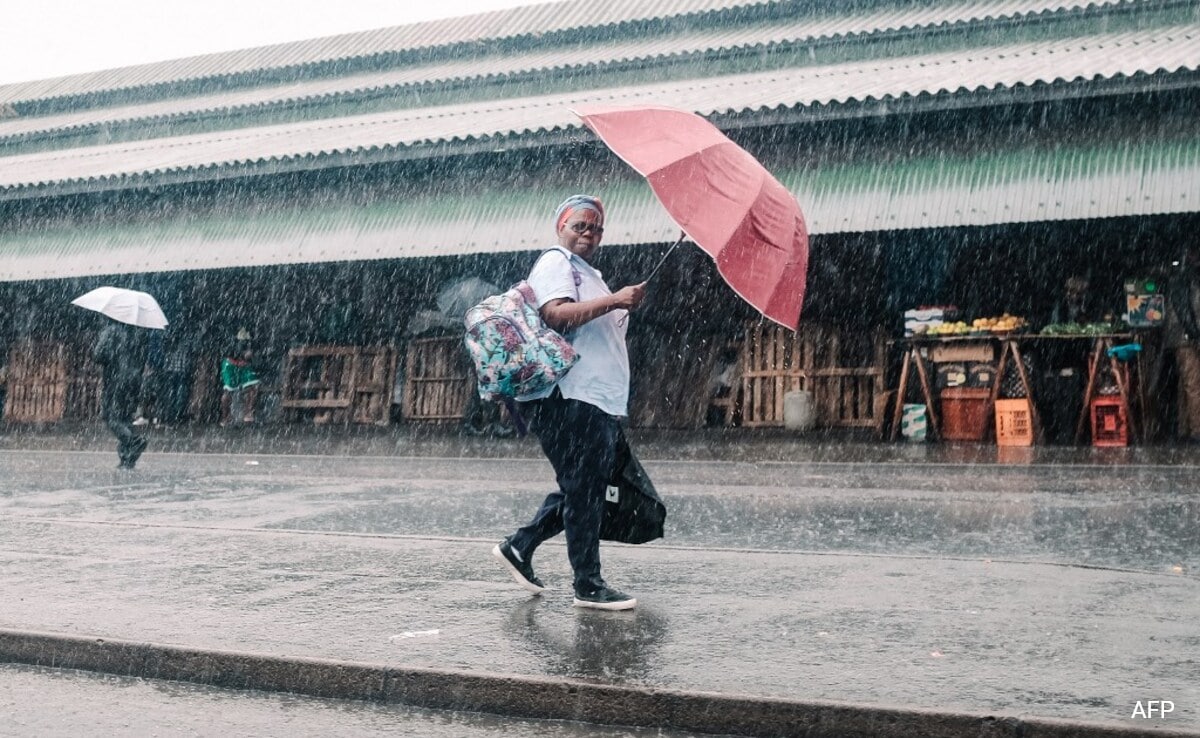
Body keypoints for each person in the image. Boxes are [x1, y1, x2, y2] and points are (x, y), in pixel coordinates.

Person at [491, 194, 648, 611]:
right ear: (561, 226)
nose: (589, 233)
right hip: (568, 396)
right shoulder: (556, 261)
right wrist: (615, 299)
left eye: (596, 228)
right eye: (580, 225)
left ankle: (520, 547)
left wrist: (619, 302)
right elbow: (556, 314)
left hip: (591, 398)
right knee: (585, 488)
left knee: (584, 486)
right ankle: (587, 584)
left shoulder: (586, 272)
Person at [92, 320, 151, 469]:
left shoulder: (111, 330)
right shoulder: (140, 331)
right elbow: (143, 356)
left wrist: (108, 353)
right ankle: (127, 459)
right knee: (125, 418)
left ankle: (133, 441)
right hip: (135, 380)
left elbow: (98, 355)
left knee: (110, 417)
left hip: (116, 379)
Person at [1164, 243, 1200, 442]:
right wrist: (1195, 335)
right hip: (1185, 337)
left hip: (1181, 336)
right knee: (1194, 384)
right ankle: (1196, 431)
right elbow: (1188, 311)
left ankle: (1184, 429)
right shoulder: (1186, 279)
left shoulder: (1181, 278)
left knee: (1185, 385)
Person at [220, 332, 260, 426]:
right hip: (230, 361)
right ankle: (226, 418)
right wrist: (241, 353)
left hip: (244, 363)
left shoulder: (252, 327)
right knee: (228, 389)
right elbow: (227, 345)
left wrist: (250, 352)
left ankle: (248, 414)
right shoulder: (230, 327)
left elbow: (255, 342)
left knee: (253, 386)